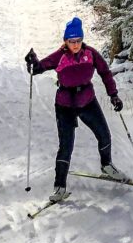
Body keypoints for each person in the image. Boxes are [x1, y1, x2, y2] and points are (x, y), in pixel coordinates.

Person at [24, 17, 127, 202]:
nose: (75, 44)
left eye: (78, 40)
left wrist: (114, 95)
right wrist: (32, 62)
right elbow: (39, 68)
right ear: (66, 41)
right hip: (65, 105)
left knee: (104, 134)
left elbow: (105, 72)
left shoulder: (91, 54)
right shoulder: (60, 56)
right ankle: (60, 187)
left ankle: (107, 165)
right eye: (72, 41)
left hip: (88, 101)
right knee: (66, 146)